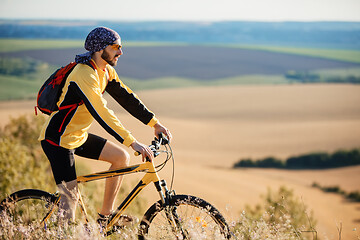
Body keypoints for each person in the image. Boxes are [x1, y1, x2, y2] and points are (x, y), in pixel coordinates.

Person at [39, 27, 172, 225]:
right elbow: (102, 113)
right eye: (116, 47)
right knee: (70, 200)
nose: (120, 52)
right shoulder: (84, 75)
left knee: (120, 158)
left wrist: (155, 123)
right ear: (101, 48)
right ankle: (60, 235)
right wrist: (132, 142)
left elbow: (127, 98)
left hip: (78, 136)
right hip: (57, 140)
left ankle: (104, 219)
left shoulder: (105, 71)